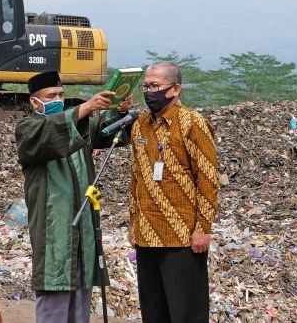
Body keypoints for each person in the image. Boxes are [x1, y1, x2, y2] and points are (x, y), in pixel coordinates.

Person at [15, 71, 133, 323]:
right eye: (51, 96)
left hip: (83, 231)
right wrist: (86, 107)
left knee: (80, 304)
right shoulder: (28, 129)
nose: (58, 98)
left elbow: (104, 130)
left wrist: (119, 112)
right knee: (54, 299)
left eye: (61, 94)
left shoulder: (77, 126)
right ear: (35, 103)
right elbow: (49, 134)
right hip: (53, 231)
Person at [128, 61, 220, 322]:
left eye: (155, 86)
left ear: (175, 89)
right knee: (154, 311)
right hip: (147, 234)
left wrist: (203, 228)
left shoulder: (193, 124)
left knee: (185, 312)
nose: (148, 92)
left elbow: (207, 179)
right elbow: (135, 177)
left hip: (181, 236)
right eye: (146, 86)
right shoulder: (140, 125)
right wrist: (133, 222)